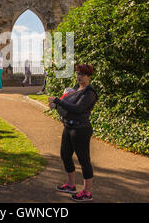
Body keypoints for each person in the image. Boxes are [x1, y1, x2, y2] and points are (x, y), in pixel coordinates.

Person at [48, 64, 98, 202]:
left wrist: (58, 100)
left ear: (89, 76)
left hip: (81, 129)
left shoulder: (90, 92)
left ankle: (87, 192)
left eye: (82, 74)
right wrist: (56, 105)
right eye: (78, 74)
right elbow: (67, 103)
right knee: (65, 155)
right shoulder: (76, 88)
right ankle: (70, 185)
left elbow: (77, 108)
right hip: (68, 126)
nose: (79, 77)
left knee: (84, 160)